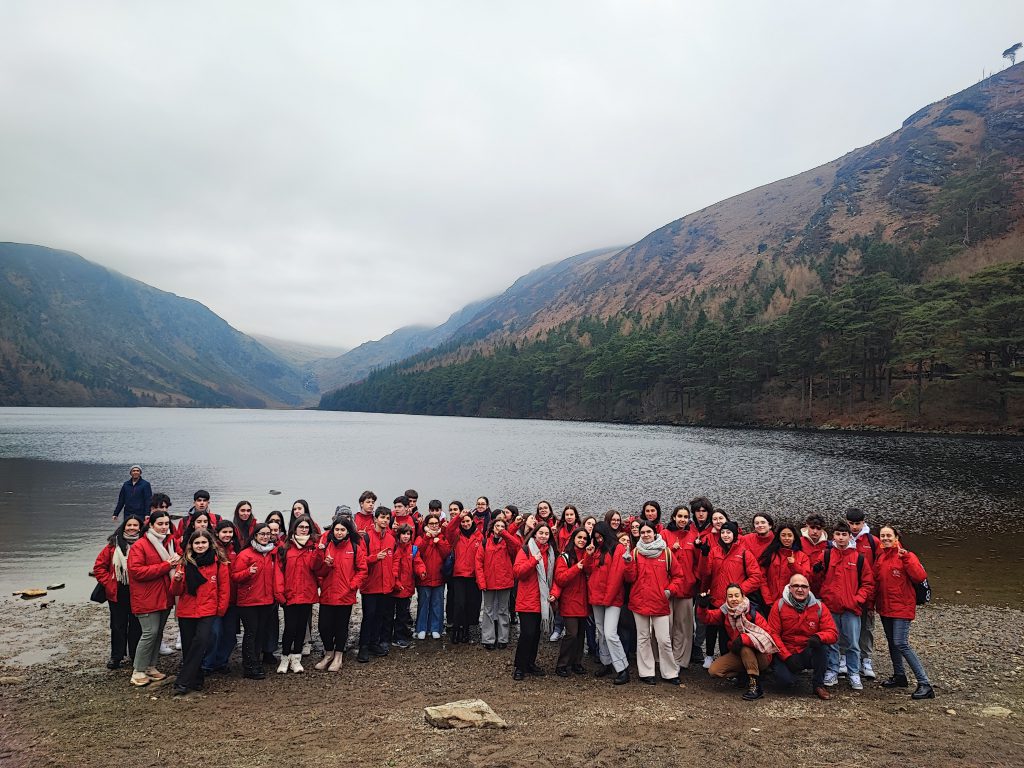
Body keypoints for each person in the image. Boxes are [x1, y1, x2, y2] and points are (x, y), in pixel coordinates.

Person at [625, 521, 690, 685]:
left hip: (660, 601)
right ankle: (646, 672)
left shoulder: (666, 552)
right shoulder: (635, 553)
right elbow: (630, 579)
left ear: (655, 533)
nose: (646, 535)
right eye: (643, 532)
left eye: (648, 532)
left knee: (664, 639)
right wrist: (627, 564)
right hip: (639, 601)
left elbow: (678, 575)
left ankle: (670, 672)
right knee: (643, 637)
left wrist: (669, 591)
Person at [874, 525, 934, 699]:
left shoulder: (906, 555)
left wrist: (907, 558)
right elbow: (877, 582)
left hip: (902, 607)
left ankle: (925, 683)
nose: (885, 538)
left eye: (888, 536)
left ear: (896, 537)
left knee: (901, 643)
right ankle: (900, 676)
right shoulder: (881, 557)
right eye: (882, 536)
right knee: (892, 642)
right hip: (885, 607)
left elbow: (920, 576)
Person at [816, 521, 875, 690]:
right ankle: (833, 670)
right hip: (831, 607)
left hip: (851, 608)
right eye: (837, 534)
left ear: (850, 536)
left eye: (844, 535)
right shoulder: (826, 555)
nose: (841, 538)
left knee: (853, 643)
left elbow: (868, 584)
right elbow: (818, 580)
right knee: (832, 642)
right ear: (832, 536)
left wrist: (857, 599)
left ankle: (854, 673)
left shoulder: (859, 558)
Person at [170, 529, 230, 695]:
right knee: (189, 646)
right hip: (186, 610)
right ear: (191, 545)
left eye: (203, 542)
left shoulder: (219, 563)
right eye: (197, 543)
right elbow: (176, 592)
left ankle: (182, 681)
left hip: (207, 609)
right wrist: (177, 580)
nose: (200, 546)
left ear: (210, 544)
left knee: (201, 641)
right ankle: (197, 679)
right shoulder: (184, 563)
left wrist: (220, 610)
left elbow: (224, 589)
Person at [696, 520, 763, 668]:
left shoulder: (744, 553)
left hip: (733, 602)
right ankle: (709, 655)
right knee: (711, 629)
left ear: (735, 534)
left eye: (729, 532)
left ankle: (728, 661)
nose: (726, 535)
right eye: (723, 532)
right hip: (716, 597)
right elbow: (705, 573)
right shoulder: (714, 551)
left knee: (728, 632)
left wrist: (738, 592)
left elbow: (756, 577)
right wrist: (705, 554)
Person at [697, 583, 781, 700]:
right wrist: (702, 606)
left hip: (762, 655)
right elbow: (707, 618)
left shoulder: (753, 613)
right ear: (726, 598)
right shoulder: (725, 612)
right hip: (739, 652)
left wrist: (744, 638)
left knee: (745, 647)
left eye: (737, 595)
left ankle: (755, 687)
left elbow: (767, 635)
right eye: (730, 596)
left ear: (743, 596)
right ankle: (746, 674)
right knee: (714, 671)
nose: (734, 599)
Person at [126, 508, 181, 686]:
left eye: (166, 524)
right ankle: (138, 670)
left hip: (165, 595)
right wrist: (166, 565)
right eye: (160, 524)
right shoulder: (140, 545)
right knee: (149, 633)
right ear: (151, 525)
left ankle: (151, 666)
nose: (164, 527)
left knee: (158, 634)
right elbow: (136, 572)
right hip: (146, 597)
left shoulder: (170, 543)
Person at [767, 574, 839, 700]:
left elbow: (832, 632)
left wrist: (819, 637)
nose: (800, 589)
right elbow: (773, 634)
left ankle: (818, 685)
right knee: (785, 683)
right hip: (787, 651)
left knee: (822, 647)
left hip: (807, 649)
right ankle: (787, 673)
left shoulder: (819, 606)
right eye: (796, 586)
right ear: (789, 588)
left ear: (809, 589)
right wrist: (786, 657)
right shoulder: (778, 606)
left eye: (804, 586)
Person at [314, 515, 367, 671]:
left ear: (348, 531)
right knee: (324, 626)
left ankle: (338, 656)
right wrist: (326, 566)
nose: (339, 532)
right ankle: (328, 653)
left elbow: (362, 570)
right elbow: (318, 571)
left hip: (345, 594)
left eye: (342, 530)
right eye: (336, 529)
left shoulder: (355, 547)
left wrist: (353, 585)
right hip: (328, 593)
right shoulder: (326, 546)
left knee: (341, 627)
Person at [232, 523, 282, 680]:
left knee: (261, 632)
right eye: (262, 534)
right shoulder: (245, 554)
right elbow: (235, 576)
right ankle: (249, 665)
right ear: (255, 535)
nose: (265, 536)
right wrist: (248, 572)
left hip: (267, 600)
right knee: (251, 632)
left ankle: (256, 661)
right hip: (249, 601)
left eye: (267, 534)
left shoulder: (272, 553)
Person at [93, 517, 143, 669]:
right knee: (117, 626)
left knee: (137, 626)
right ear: (124, 527)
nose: (132, 528)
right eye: (129, 525)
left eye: (135, 525)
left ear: (140, 528)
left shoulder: (144, 544)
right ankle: (116, 656)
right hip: (117, 592)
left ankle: (135, 655)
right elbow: (99, 567)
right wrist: (109, 583)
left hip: (138, 592)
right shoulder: (112, 546)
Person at [511, 523, 557, 680]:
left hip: (543, 600)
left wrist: (553, 594)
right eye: (541, 533)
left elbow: (554, 576)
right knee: (527, 634)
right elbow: (518, 572)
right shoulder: (526, 550)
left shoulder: (551, 553)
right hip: (527, 600)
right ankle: (519, 666)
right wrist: (533, 561)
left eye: (547, 534)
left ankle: (530, 663)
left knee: (536, 634)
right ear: (535, 534)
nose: (544, 536)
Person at [588, 521, 631, 685]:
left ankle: (622, 668)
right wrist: (590, 555)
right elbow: (591, 571)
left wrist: (607, 598)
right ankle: (606, 662)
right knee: (601, 632)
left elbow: (616, 576)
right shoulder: (598, 550)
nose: (598, 540)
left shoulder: (618, 549)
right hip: (597, 596)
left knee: (610, 633)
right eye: (596, 537)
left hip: (611, 598)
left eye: (600, 537)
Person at [276, 514, 319, 673]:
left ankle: (296, 658)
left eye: (307, 527)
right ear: (294, 528)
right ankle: (284, 657)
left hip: (306, 593)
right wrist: (280, 592)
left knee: (302, 627)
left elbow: (317, 570)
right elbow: (279, 572)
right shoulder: (284, 547)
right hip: (290, 593)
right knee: (289, 627)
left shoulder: (313, 547)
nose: (304, 529)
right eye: (301, 526)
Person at [661, 505, 700, 671]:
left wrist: (694, 579)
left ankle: (680, 660)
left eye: (685, 516)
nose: (682, 519)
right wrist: (671, 550)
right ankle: (665, 659)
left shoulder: (694, 536)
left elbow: (699, 562)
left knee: (683, 626)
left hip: (686, 588)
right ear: (673, 517)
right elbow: (659, 558)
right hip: (668, 587)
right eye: (679, 516)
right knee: (666, 625)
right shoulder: (664, 534)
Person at [201, 520, 242, 674]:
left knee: (230, 634)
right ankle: (207, 664)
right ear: (217, 533)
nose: (227, 535)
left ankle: (221, 661)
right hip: (215, 599)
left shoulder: (235, 550)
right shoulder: (211, 550)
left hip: (232, 599)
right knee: (215, 633)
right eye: (224, 532)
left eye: (230, 532)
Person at [357, 507, 397, 662]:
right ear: (375, 519)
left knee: (380, 616)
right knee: (369, 617)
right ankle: (363, 647)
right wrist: (374, 558)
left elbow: (394, 561)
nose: (385, 520)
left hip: (385, 585)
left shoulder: (391, 538)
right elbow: (360, 561)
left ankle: (374, 643)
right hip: (370, 586)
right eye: (382, 517)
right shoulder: (366, 537)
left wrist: (392, 579)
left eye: (387, 518)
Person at [552, 527, 592, 676]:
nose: (582, 540)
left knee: (581, 634)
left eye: (584, 538)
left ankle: (576, 662)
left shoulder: (588, 554)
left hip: (584, 599)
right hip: (570, 600)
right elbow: (560, 579)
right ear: (573, 538)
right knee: (572, 633)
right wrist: (577, 567)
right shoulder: (564, 557)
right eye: (579, 537)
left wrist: (588, 557)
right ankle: (562, 664)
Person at [846, 507, 880, 681]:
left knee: (866, 628)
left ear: (863, 522)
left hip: (867, 593)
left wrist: (872, 600)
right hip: (847, 592)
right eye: (851, 523)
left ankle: (865, 660)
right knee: (847, 627)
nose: (854, 527)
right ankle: (845, 658)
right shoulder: (841, 538)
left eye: (857, 523)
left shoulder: (873, 541)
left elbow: (877, 571)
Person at [476, 517, 519, 650]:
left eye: (502, 526)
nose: (499, 528)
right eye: (497, 526)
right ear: (492, 527)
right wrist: (481, 582)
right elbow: (478, 564)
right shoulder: (484, 543)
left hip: (505, 581)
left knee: (503, 610)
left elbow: (517, 546)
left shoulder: (507, 543)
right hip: (489, 582)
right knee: (488, 610)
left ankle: (503, 638)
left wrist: (505, 533)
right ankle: (488, 639)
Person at [444, 510, 482, 644]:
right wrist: (458, 517)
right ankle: (456, 629)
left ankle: (466, 630)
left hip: (473, 575)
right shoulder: (456, 535)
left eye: (468, 521)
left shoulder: (479, 536)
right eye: (463, 522)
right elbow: (448, 529)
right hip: (458, 575)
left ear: (472, 521)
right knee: (459, 604)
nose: (465, 524)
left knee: (470, 604)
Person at [414, 513, 450, 640]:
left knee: (437, 604)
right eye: (431, 524)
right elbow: (416, 552)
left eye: (436, 523)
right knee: (423, 604)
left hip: (439, 577)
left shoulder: (443, 537)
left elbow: (447, 553)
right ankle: (421, 628)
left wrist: (439, 542)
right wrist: (426, 539)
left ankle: (436, 628)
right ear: (427, 525)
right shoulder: (421, 537)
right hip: (424, 577)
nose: (434, 526)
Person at [759, 523, 812, 609]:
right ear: (779, 537)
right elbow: (762, 578)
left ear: (794, 537)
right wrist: (768, 599)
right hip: (772, 602)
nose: (786, 538)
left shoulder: (802, 556)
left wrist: (793, 565)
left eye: (789, 535)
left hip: (794, 602)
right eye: (783, 535)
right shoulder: (770, 555)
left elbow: (805, 578)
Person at [390, 523, 419, 649]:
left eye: (408, 534)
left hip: (407, 587)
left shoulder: (412, 549)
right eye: (403, 534)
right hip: (396, 587)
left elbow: (418, 563)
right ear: (399, 535)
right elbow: (394, 569)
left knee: (403, 613)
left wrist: (422, 571)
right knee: (393, 613)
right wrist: (396, 583)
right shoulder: (396, 548)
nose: (406, 536)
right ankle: (397, 637)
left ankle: (400, 634)